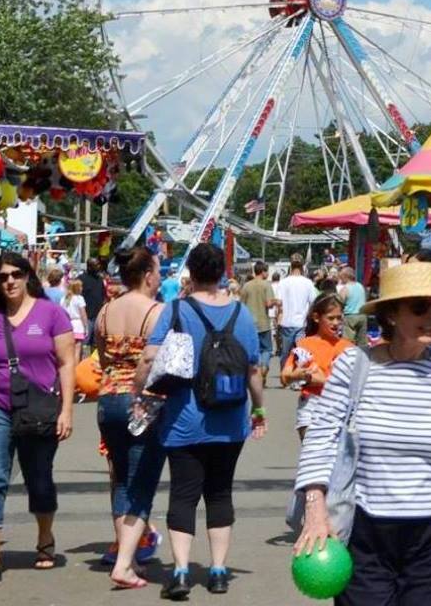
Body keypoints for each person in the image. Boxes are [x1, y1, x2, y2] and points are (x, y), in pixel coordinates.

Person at [293, 261, 431, 604]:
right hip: (365, 531)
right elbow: (321, 438)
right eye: (418, 307)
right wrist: (315, 508)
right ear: (392, 314)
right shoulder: (355, 366)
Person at [134, 243, 266, 599]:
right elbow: (254, 370)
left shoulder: (176, 309)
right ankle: (219, 570)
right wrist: (259, 410)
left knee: (183, 494)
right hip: (230, 420)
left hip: (184, 418)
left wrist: (140, 393)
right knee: (220, 493)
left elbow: (149, 358)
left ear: (190, 273)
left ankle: (179, 572)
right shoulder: (241, 314)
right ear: (223, 272)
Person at [0, 252, 76, 587]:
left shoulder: (52, 314)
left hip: (39, 409)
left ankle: (44, 538)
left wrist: (67, 409)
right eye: (2, 277)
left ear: (28, 276)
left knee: (38, 479)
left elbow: (66, 363)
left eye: (16, 274)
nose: (10, 281)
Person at [96, 249, 167, 590]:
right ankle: (124, 564)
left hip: (107, 398)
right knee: (142, 482)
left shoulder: (106, 310)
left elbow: (102, 353)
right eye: (157, 270)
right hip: (143, 402)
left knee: (121, 477)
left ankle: (127, 551)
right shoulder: (157, 312)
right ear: (148, 275)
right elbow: (162, 360)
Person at [280, 291, 354, 414]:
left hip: (338, 408)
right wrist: (298, 375)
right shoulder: (305, 344)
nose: (336, 323)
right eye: (330, 318)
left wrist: (323, 380)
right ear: (316, 318)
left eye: (339, 317)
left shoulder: (348, 347)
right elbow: (284, 377)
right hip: (310, 407)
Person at [275, 257, 318, 387]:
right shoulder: (308, 283)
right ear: (302, 268)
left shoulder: (283, 282)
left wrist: (278, 318)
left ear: (291, 267)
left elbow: (279, 303)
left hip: (286, 322)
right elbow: (313, 302)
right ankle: (299, 379)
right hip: (302, 323)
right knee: (300, 352)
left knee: (286, 352)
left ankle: (286, 376)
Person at [239, 262, 277, 387]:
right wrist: (276, 302)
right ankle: (264, 367)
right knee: (266, 349)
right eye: (267, 271)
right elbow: (268, 303)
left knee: (253, 349)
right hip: (263, 322)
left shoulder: (246, 286)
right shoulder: (266, 285)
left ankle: (255, 371)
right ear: (263, 272)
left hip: (249, 324)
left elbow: (241, 304)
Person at [337, 266, 368, 344]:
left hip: (350, 317)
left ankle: (349, 355)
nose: (341, 279)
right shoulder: (360, 286)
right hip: (362, 315)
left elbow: (339, 302)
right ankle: (363, 355)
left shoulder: (345, 289)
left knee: (347, 342)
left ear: (345, 277)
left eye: (341, 277)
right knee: (362, 341)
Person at [82, 256, 109, 336]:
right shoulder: (81, 279)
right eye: (96, 265)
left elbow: (103, 295)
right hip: (87, 317)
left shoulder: (99, 279)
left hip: (98, 316)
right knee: (85, 342)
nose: (99, 267)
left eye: (99, 265)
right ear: (89, 267)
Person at [64, 278, 89, 351]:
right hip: (78, 325)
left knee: (69, 350)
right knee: (77, 349)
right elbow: (83, 314)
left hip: (67, 325)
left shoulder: (64, 299)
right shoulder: (79, 298)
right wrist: (86, 327)